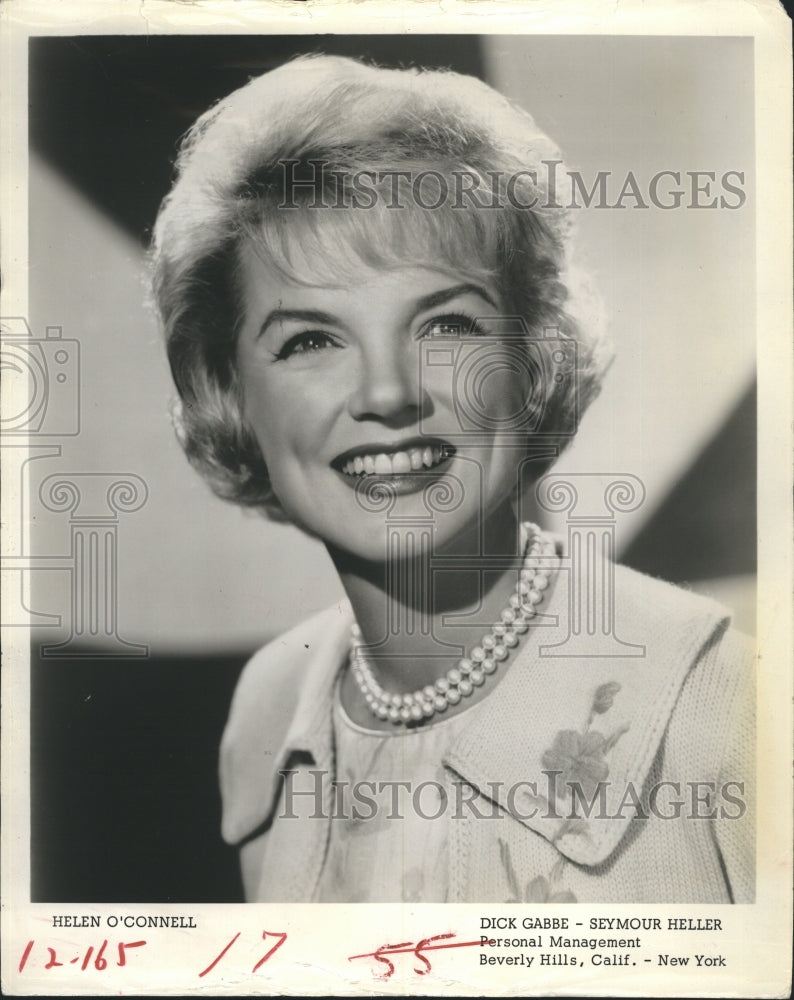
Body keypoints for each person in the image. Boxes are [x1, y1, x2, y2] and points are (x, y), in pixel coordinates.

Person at [151, 54, 755, 904]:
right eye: (310, 341)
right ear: (232, 396)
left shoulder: (727, 707)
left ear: (531, 358)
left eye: (445, 324)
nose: (388, 394)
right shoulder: (270, 711)